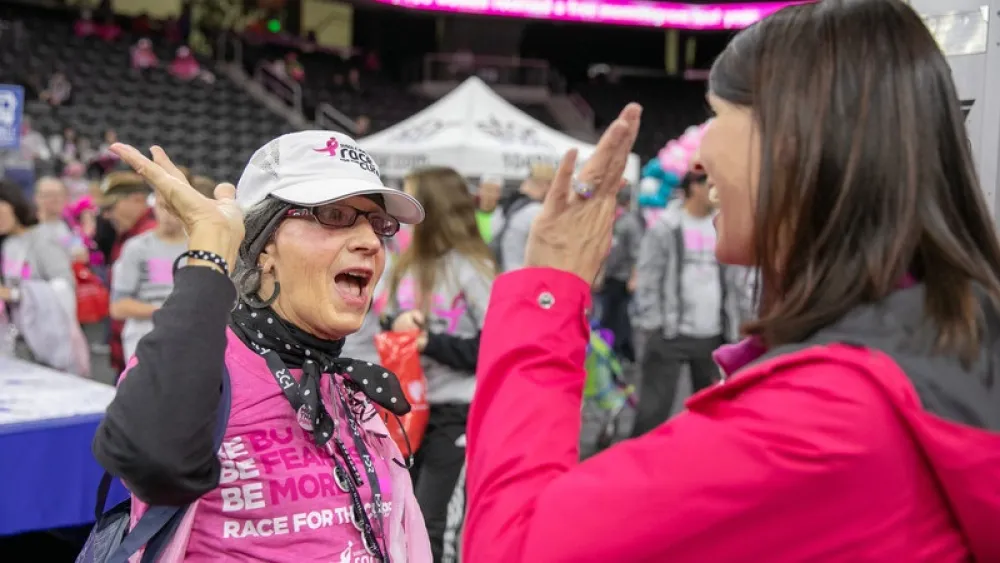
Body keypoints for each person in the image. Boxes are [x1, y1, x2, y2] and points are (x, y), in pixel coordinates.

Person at [462, 1, 1000, 561]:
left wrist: (548, 290)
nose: (700, 154)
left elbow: (514, 548)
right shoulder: (946, 339)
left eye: (717, 115)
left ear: (795, 140)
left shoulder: (821, 418)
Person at [93, 131, 432, 561]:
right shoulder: (208, 363)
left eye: (379, 224)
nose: (370, 242)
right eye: (336, 215)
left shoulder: (340, 382)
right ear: (265, 245)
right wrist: (210, 254)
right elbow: (147, 462)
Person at [382, 166, 494, 562]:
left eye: (413, 201)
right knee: (402, 514)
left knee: (435, 521)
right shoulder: (407, 264)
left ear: (434, 208)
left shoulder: (473, 268)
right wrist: (397, 322)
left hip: (458, 409)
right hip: (409, 409)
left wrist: (430, 341)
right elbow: (388, 318)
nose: (404, 215)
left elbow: (494, 347)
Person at [630, 169, 742, 434]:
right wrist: (653, 323)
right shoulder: (666, 227)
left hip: (713, 332)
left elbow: (734, 278)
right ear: (694, 187)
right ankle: (641, 455)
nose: (717, 193)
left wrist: (735, 325)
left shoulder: (723, 225)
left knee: (713, 410)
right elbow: (648, 276)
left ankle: (705, 456)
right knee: (653, 410)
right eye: (711, 186)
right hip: (670, 331)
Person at [0, 180, 87, 374]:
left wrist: (15, 294)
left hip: (48, 336)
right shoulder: (8, 244)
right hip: (17, 337)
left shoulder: (43, 238)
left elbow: (64, 285)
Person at [110, 193, 188, 360]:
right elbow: (118, 306)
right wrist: (165, 312)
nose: (168, 213)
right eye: (162, 206)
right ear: (154, 207)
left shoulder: (198, 249)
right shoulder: (137, 247)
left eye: (174, 207)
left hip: (189, 332)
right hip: (146, 330)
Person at [598, 187, 642, 362]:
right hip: (609, 277)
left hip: (622, 277)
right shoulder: (610, 220)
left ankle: (621, 352)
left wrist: (634, 277)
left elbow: (637, 253)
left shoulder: (629, 222)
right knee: (610, 316)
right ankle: (615, 351)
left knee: (619, 317)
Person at [493, 163, 553, 272]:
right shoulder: (536, 211)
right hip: (524, 275)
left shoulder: (505, 208)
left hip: (503, 272)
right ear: (546, 185)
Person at [33, 176, 87, 261]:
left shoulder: (68, 225)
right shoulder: (28, 227)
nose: (56, 199)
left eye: (60, 194)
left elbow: (82, 255)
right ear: (37, 198)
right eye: (50, 195)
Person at [473, 176, 502, 243]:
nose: (488, 194)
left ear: (499, 194)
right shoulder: (469, 215)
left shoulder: (504, 217)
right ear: (479, 191)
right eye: (486, 189)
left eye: (493, 191)